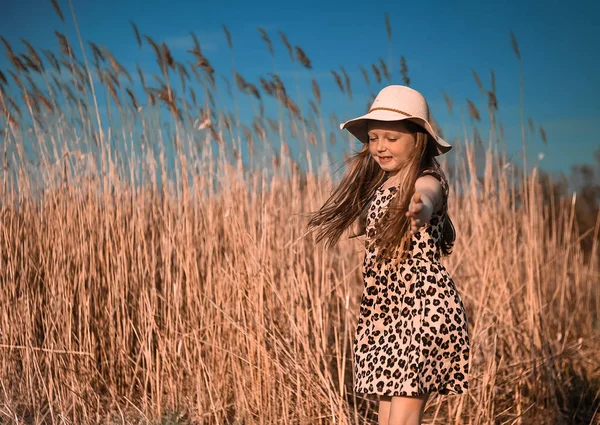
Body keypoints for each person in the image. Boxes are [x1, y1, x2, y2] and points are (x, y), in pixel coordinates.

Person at [307, 85, 470, 425]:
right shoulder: (381, 186)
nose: (380, 146)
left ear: (418, 139)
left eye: (391, 139)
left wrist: (420, 209)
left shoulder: (426, 180)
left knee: (403, 418)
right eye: (374, 138)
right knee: (386, 417)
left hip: (424, 310)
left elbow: (428, 196)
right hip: (386, 315)